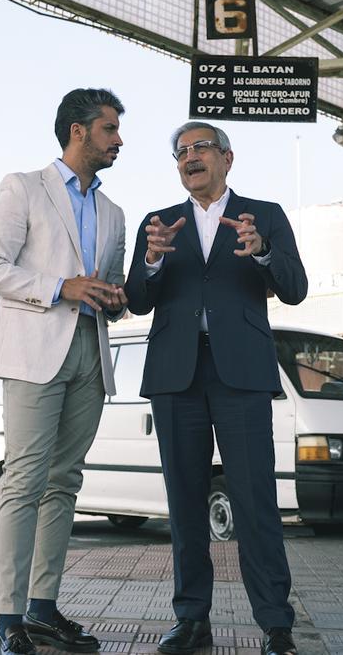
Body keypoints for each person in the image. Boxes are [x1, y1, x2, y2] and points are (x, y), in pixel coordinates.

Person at [124, 121, 308, 655]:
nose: (189, 157)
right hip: (175, 377)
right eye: (180, 151)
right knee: (183, 503)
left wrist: (263, 250)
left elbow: (294, 289)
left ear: (228, 158)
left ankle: (276, 624)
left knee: (255, 502)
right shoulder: (158, 224)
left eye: (199, 147)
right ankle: (191, 619)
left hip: (242, 376)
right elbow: (137, 299)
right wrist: (153, 258)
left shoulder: (265, 215)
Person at [0, 88, 129, 655]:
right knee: (23, 481)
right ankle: (8, 617)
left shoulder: (114, 212)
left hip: (91, 350)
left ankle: (42, 608)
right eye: (109, 129)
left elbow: (115, 287)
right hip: (35, 350)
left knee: (65, 482)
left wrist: (119, 295)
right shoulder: (23, 187)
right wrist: (59, 287)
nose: (119, 140)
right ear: (78, 131)